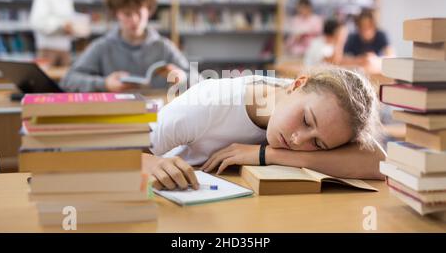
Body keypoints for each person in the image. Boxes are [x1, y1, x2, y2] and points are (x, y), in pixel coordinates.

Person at [143, 66, 386, 190]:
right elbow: (117, 151)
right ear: (297, 84)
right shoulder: (208, 102)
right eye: (306, 120)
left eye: (318, 144)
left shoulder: (315, 107)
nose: (298, 141)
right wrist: (154, 163)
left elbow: (377, 163)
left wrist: (265, 154)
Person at [61, 0, 191, 92]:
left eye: (139, 13)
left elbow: (199, 80)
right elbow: (68, 80)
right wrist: (104, 83)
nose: (134, 20)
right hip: (115, 113)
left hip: (159, 114)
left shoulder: (164, 46)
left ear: (149, 12)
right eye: (127, 14)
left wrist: (182, 77)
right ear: (117, 15)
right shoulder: (102, 46)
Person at [29, 0, 76, 67]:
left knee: (65, 80)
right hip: (48, 48)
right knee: (45, 80)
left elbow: (70, 19)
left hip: (65, 48)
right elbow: (37, 22)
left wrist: (73, 29)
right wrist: (62, 25)